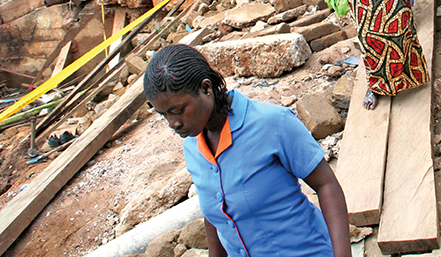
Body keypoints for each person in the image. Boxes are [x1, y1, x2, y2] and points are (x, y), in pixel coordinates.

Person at [144, 44, 353, 257]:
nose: (173, 123)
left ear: (206, 89)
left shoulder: (273, 123)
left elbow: (326, 185)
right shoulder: (193, 146)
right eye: (164, 115)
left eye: (177, 111)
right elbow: (216, 214)